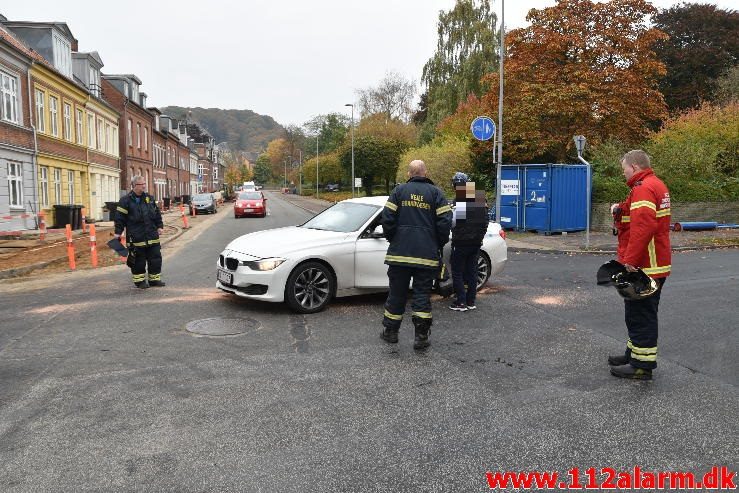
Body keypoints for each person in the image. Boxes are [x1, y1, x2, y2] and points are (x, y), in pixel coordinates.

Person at [609, 150, 671, 380]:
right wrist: (619, 210)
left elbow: (642, 229)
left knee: (641, 314)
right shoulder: (653, 185)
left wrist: (630, 262)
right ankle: (632, 354)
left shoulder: (644, 188)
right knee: (636, 312)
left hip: (646, 265)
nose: (623, 172)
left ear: (634, 167)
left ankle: (641, 367)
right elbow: (632, 219)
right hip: (652, 263)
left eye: (624, 168)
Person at [380, 160, 452, 350]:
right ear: (425, 172)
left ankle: (391, 333)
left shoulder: (398, 191)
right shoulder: (436, 193)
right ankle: (421, 337)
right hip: (426, 256)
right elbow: (445, 223)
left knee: (396, 294)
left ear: (409, 173)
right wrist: (437, 242)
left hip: (399, 256)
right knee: (421, 296)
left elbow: (386, 219)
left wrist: (394, 239)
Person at [114, 175, 166, 289]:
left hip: (152, 236)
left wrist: (160, 226)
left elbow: (157, 214)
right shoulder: (125, 201)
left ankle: (154, 280)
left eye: (144, 184)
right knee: (138, 261)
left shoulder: (149, 198)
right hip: (136, 238)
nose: (144, 186)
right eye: (141, 184)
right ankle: (140, 281)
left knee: (156, 259)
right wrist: (118, 232)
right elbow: (119, 219)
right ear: (134, 186)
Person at [448, 172, 489, 311]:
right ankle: (471, 301)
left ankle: (460, 302)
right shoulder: (479, 197)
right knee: (472, 271)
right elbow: (485, 222)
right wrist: (480, 236)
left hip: (460, 242)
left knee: (457, 272)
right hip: (476, 242)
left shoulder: (459, 200)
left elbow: (453, 222)